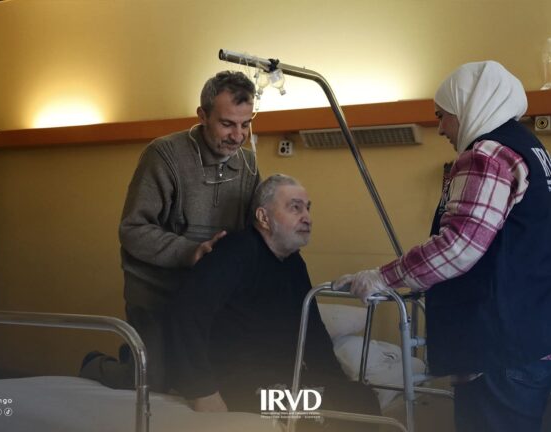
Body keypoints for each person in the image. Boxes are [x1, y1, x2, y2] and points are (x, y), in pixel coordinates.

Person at [335, 61, 551, 432]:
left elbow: (458, 247)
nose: (440, 129)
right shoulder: (530, 148)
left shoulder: (486, 154)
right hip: (541, 325)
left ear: (468, 106)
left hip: (505, 342)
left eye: (442, 116)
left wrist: (382, 277)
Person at [80, 71, 260, 392]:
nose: (238, 136)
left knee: (212, 379)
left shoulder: (248, 165)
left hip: (209, 293)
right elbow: (133, 229)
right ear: (202, 115)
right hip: (157, 290)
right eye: (227, 124)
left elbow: (249, 234)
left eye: (245, 124)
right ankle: (95, 365)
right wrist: (190, 251)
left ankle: (136, 358)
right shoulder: (164, 155)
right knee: (152, 382)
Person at [164, 174, 381, 431]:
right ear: (263, 217)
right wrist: (202, 391)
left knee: (360, 398)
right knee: (327, 410)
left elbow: (312, 331)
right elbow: (186, 312)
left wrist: (336, 380)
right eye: (295, 208)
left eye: (307, 208)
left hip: (279, 378)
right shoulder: (235, 252)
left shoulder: (294, 262)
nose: (307, 218)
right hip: (236, 382)